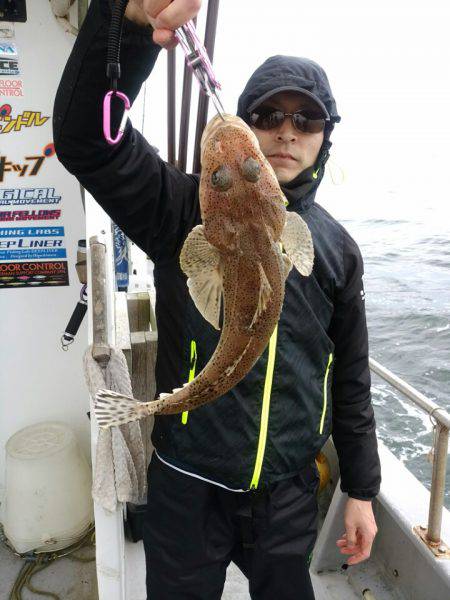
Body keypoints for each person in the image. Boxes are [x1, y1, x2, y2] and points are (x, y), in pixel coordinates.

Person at [53, 1, 381, 598]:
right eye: (268, 113)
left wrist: (360, 489)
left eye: (306, 120)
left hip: (286, 493)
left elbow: (351, 379)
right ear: (247, 126)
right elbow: (87, 142)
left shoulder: (335, 249)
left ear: (326, 136)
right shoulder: (182, 212)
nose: (286, 130)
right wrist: (125, 28)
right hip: (186, 485)